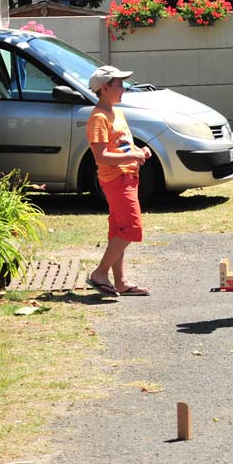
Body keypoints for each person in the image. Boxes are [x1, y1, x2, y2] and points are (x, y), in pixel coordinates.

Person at [85, 65, 153, 297]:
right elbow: (101, 156)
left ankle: (121, 282)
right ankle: (100, 273)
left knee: (119, 229)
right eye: (119, 84)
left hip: (129, 177)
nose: (124, 88)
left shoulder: (117, 113)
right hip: (116, 179)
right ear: (105, 88)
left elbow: (122, 144)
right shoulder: (98, 118)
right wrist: (132, 155)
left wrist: (138, 150)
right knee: (132, 228)